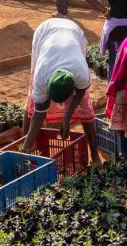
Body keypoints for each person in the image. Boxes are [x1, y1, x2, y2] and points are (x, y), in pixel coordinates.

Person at [22, 18, 101, 163]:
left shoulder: (81, 72)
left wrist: (66, 117)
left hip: (73, 31)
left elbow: (81, 93)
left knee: (85, 106)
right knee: (33, 101)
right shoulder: (41, 77)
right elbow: (39, 113)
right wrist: (25, 148)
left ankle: (94, 155)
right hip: (45, 32)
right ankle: (25, 142)